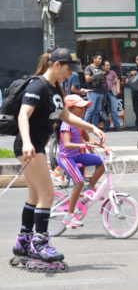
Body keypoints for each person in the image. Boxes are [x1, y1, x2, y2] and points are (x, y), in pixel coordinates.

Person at [12, 48, 105, 267]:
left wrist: (91, 126)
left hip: (36, 147)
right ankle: (40, 243)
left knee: (34, 196)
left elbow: (67, 115)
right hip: (29, 146)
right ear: (55, 65)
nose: (69, 73)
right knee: (48, 193)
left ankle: (24, 241)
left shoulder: (54, 89)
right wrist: (26, 141)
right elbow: (23, 114)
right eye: (67, 69)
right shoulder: (37, 85)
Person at [57, 94, 111, 228]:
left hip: (76, 155)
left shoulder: (80, 124)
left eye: (84, 108)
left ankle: (90, 187)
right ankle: (69, 216)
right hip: (66, 157)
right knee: (79, 182)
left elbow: (88, 141)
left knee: (103, 162)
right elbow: (67, 144)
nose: (83, 110)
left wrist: (103, 147)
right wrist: (82, 146)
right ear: (70, 109)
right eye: (80, 108)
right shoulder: (66, 124)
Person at [84, 52, 107, 127]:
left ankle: (94, 126)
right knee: (90, 110)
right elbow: (87, 79)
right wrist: (95, 76)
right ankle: (84, 127)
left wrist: (102, 77)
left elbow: (103, 81)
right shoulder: (88, 67)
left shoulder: (100, 68)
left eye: (101, 59)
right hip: (92, 92)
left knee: (97, 111)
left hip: (100, 91)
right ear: (94, 59)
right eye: (99, 58)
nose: (101, 60)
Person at [102, 60, 121, 132]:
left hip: (111, 93)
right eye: (106, 65)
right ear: (103, 66)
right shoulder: (100, 73)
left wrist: (118, 89)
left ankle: (117, 126)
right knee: (105, 111)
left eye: (109, 65)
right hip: (103, 94)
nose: (108, 67)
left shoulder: (112, 72)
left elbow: (117, 81)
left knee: (114, 110)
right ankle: (106, 126)